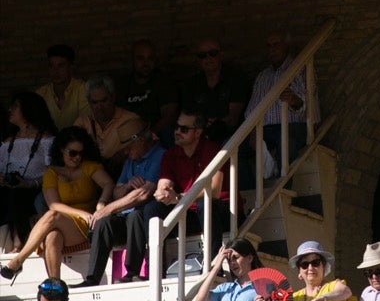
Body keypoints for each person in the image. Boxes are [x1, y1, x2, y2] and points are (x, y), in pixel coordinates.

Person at [0, 128, 112, 281]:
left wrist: (102, 203)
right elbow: (54, 205)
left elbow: (108, 184)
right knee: (52, 236)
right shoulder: (51, 173)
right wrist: (80, 214)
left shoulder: (89, 167)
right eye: (73, 153)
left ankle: (19, 260)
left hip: (89, 224)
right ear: (61, 150)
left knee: (52, 217)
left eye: (80, 153)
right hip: (65, 221)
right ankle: (55, 286)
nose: (77, 157)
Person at [135, 108, 227, 271]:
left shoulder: (212, 150)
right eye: (176, 127)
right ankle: (156, 268)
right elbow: (164, 186)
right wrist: (163, 192)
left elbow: (214, 191)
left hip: (220, 212)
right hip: (188, 213)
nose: (177, 132)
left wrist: (178, 197)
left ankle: (214, 266)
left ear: (198, 132)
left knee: (205, 204)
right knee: (151, 208)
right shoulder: (170, 155)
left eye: (184, 129)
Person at [83, 124, 165, 285]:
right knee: (103, 222)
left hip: (146, 217)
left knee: (134, 216)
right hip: (126, 218)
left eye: (128, 147)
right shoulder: (130, 161)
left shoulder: (160, 155)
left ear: (141, 140)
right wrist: (127, 186)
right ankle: (92, 278)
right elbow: (116, 192)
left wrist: (108, 208)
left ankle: (132, 272)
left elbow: (144, 193)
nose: (126, 152)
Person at [243, 31, 315, 173]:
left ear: (287, 46)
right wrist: (252, 131)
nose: (272, 49)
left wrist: (293, 100)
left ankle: (282, 185)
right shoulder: (263, 76)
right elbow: (251, 110)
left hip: (293, 126)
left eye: (276, 44)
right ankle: (248, 191)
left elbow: (306, 106)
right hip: (265, 130)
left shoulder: (300, 68)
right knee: (236, 148)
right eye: (269, 46)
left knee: (285, 138)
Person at [0, 93, 54, 250]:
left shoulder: (46, 140)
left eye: (15, 106)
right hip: (9, 188)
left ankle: (19, 240)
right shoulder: (8, 142)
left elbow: (53, 172)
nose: (11, 109)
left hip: (35, 189)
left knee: (17, 196)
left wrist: (30, 183)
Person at [183, 39, 250, 145]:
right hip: (199, 135)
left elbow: (233, 118)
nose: (208, 58)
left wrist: (216, 124)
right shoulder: (192, 84)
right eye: (202, 55)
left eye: (213, 53)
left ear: (221, 55)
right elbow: (187, 117)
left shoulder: (235, 79)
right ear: (198, 60)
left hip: (231, 136)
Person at [74, 76, 142, 177]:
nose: (100, 107)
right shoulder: (82, 123)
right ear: (88, 101)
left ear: (113, 97)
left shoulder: (130, 120)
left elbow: (143, 151)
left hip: (124, 178)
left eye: (104, 101)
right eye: (95, 102)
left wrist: (123, 153)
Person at [117, 40, 179, 140]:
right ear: (132, 60)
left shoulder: (164, 82)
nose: (146, 63)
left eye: (150, 58)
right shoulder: (123, 85)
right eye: (140, 58)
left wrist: (147, 136)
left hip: (156, 135)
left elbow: (169, 117)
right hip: (129, 136)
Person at [36, 47, 88, 133]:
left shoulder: (82, 89)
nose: (55, 71)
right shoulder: (41, 94)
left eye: (61, 66)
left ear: (71, 68)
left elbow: (85, 122)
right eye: (51, 66)